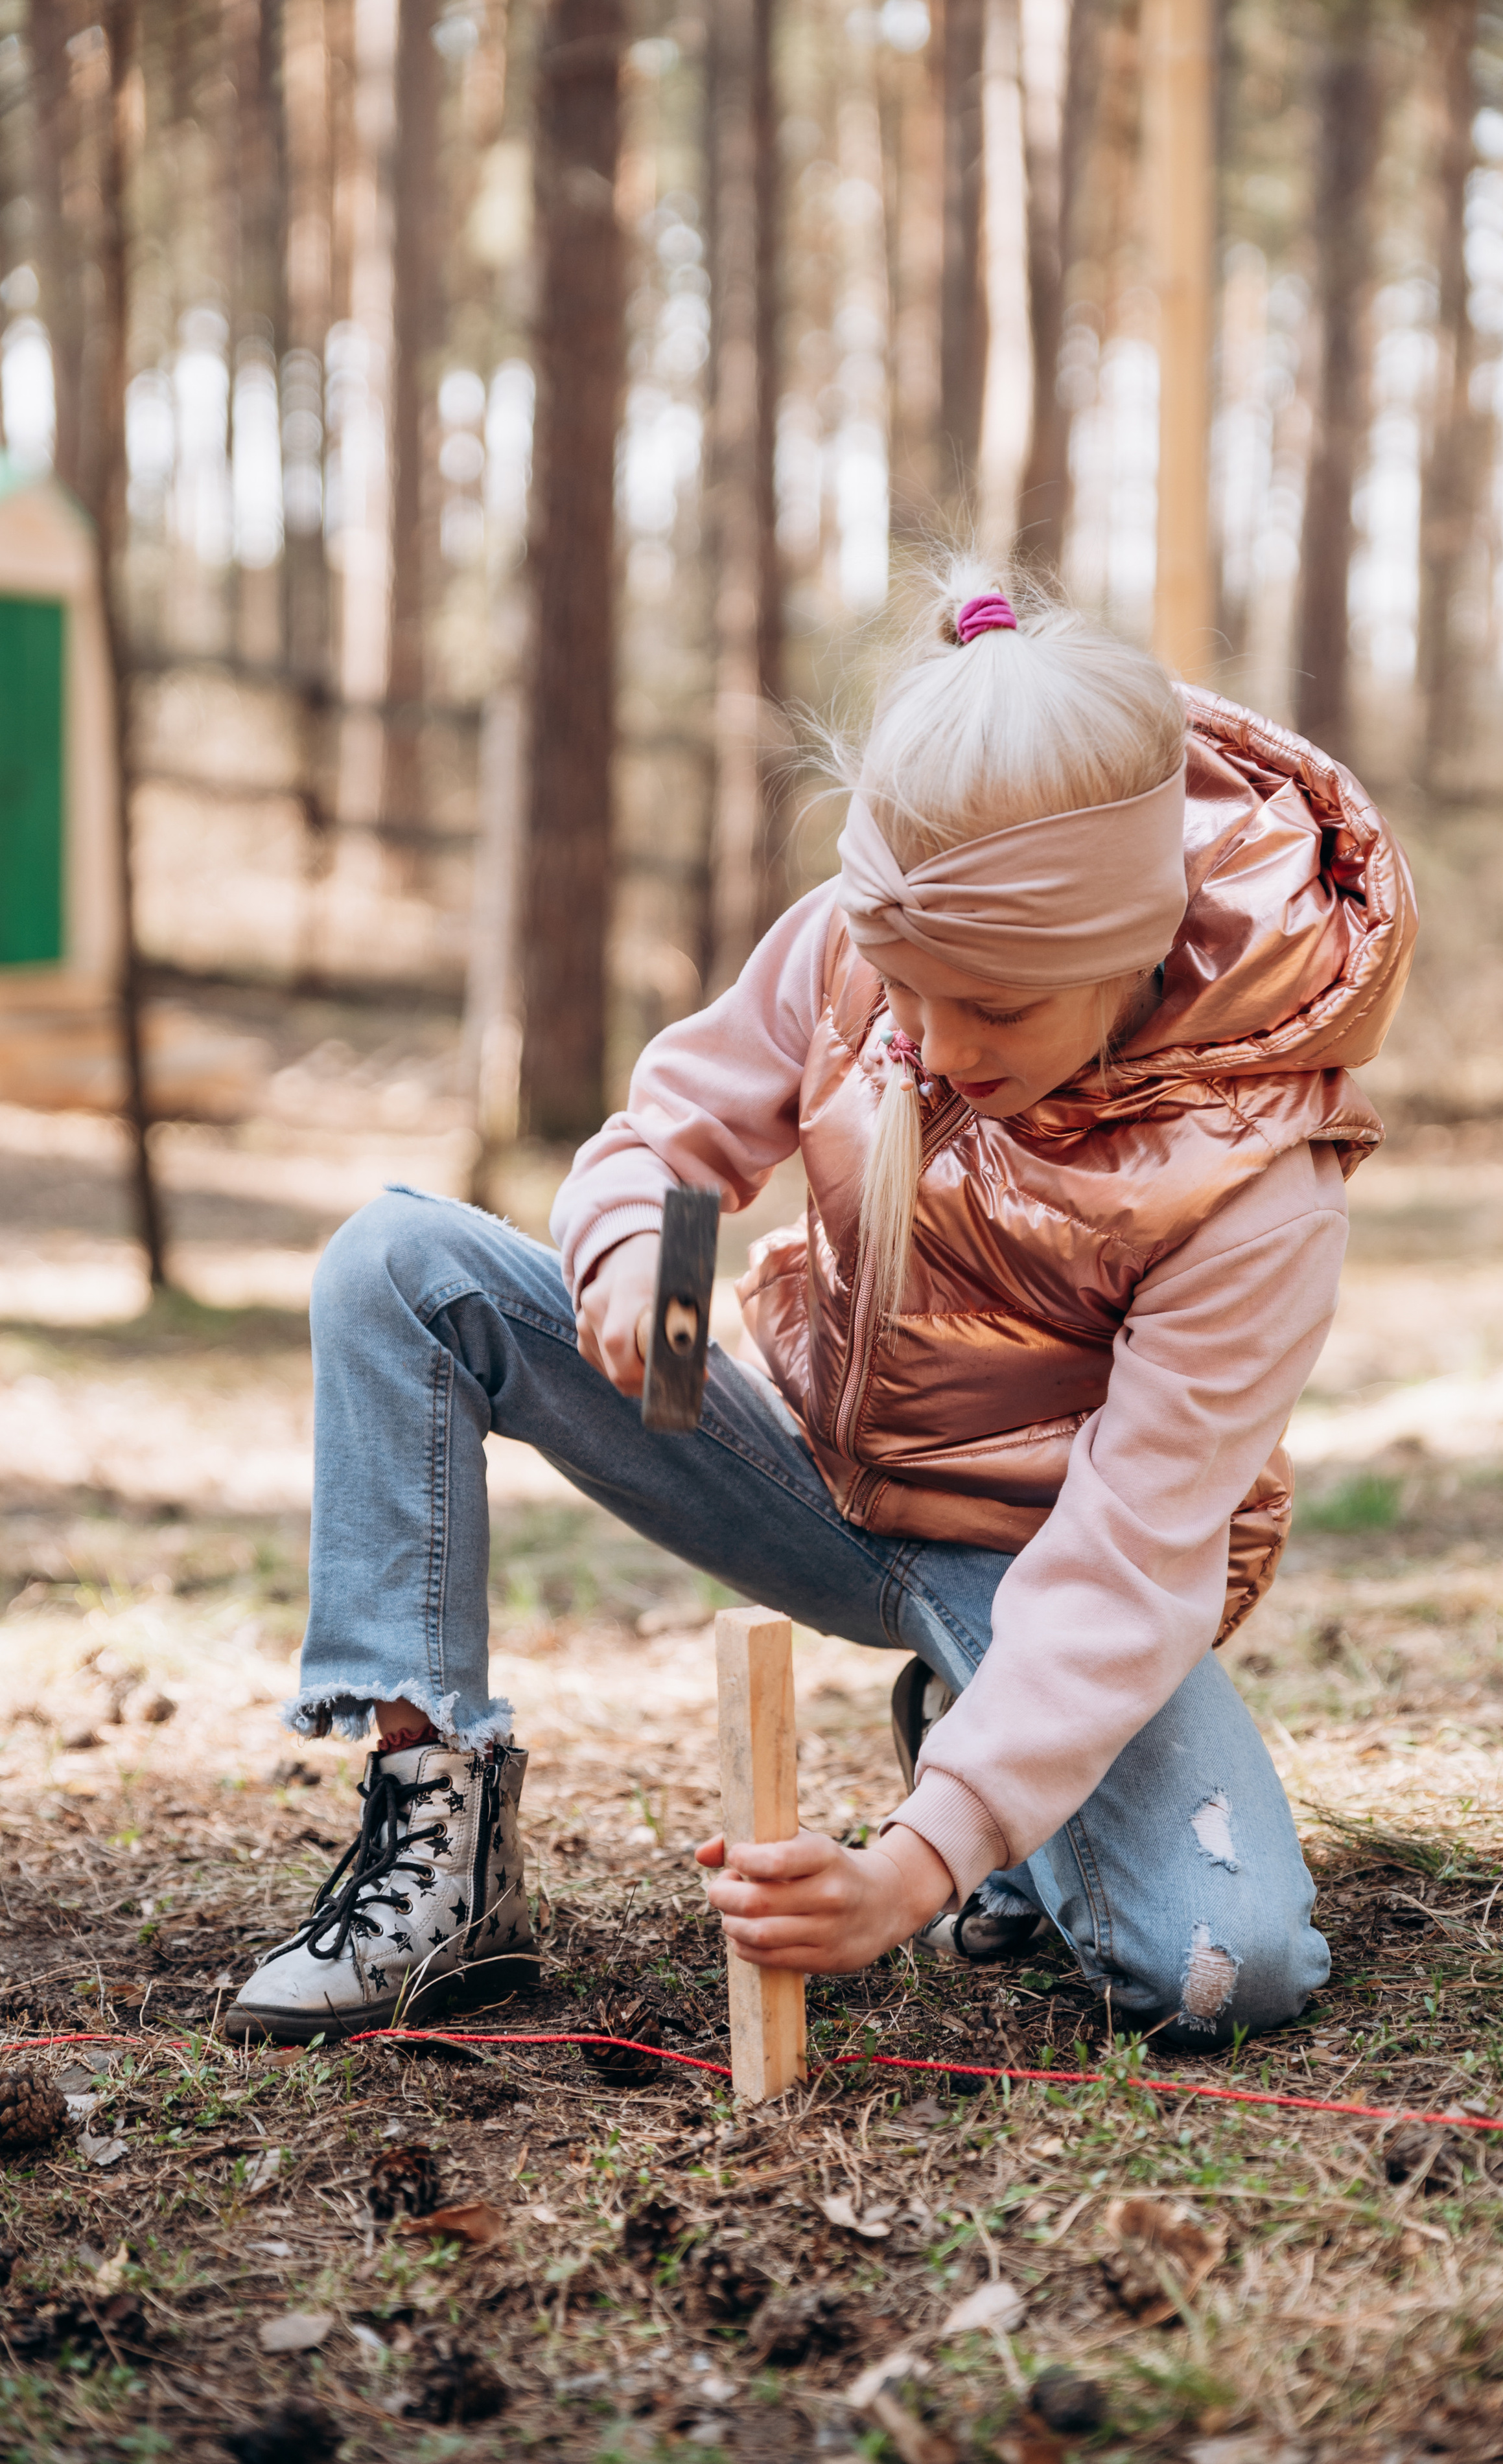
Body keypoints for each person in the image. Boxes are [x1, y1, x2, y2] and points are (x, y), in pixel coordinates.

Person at [227, 563, 1416, 2049]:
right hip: (799, 1471)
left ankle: (978, 1757)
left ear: (1120, 949)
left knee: (1225, 1968)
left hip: (1042, 1572)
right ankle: (438, 1848)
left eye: (989, 1006)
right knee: (398, 1265)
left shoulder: (1257, 1191)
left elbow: (1127, 1566)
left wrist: (912, 1869)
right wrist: (623, 1248)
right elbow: (667, 1136)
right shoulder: (862, 947)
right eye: (908, 992)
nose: (927, 1042)